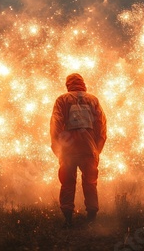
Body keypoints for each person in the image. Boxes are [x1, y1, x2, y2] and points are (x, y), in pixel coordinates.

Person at [50, 73, 107, 227]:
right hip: (89, 149)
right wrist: (97, 149)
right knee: (90, 182)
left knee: (67, 182)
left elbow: (56, 124)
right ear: (83, 83)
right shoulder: (93, 100)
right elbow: (101, 126)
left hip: (68, 150)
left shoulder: (62, 99)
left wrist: (57, 147)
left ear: (68, 84)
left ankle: (68, 218)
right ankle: (92, 216)